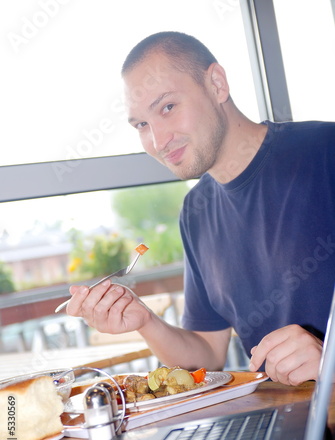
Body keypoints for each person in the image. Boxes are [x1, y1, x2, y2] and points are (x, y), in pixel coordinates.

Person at [67, 31, 335, 386]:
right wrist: (146, 321)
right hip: (283, 422)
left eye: (167, 107)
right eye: (142, 125)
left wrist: (328, 359)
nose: (159, 141)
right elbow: (208, 352)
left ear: (217, 84)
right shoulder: (196, 211)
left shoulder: (324, 152)